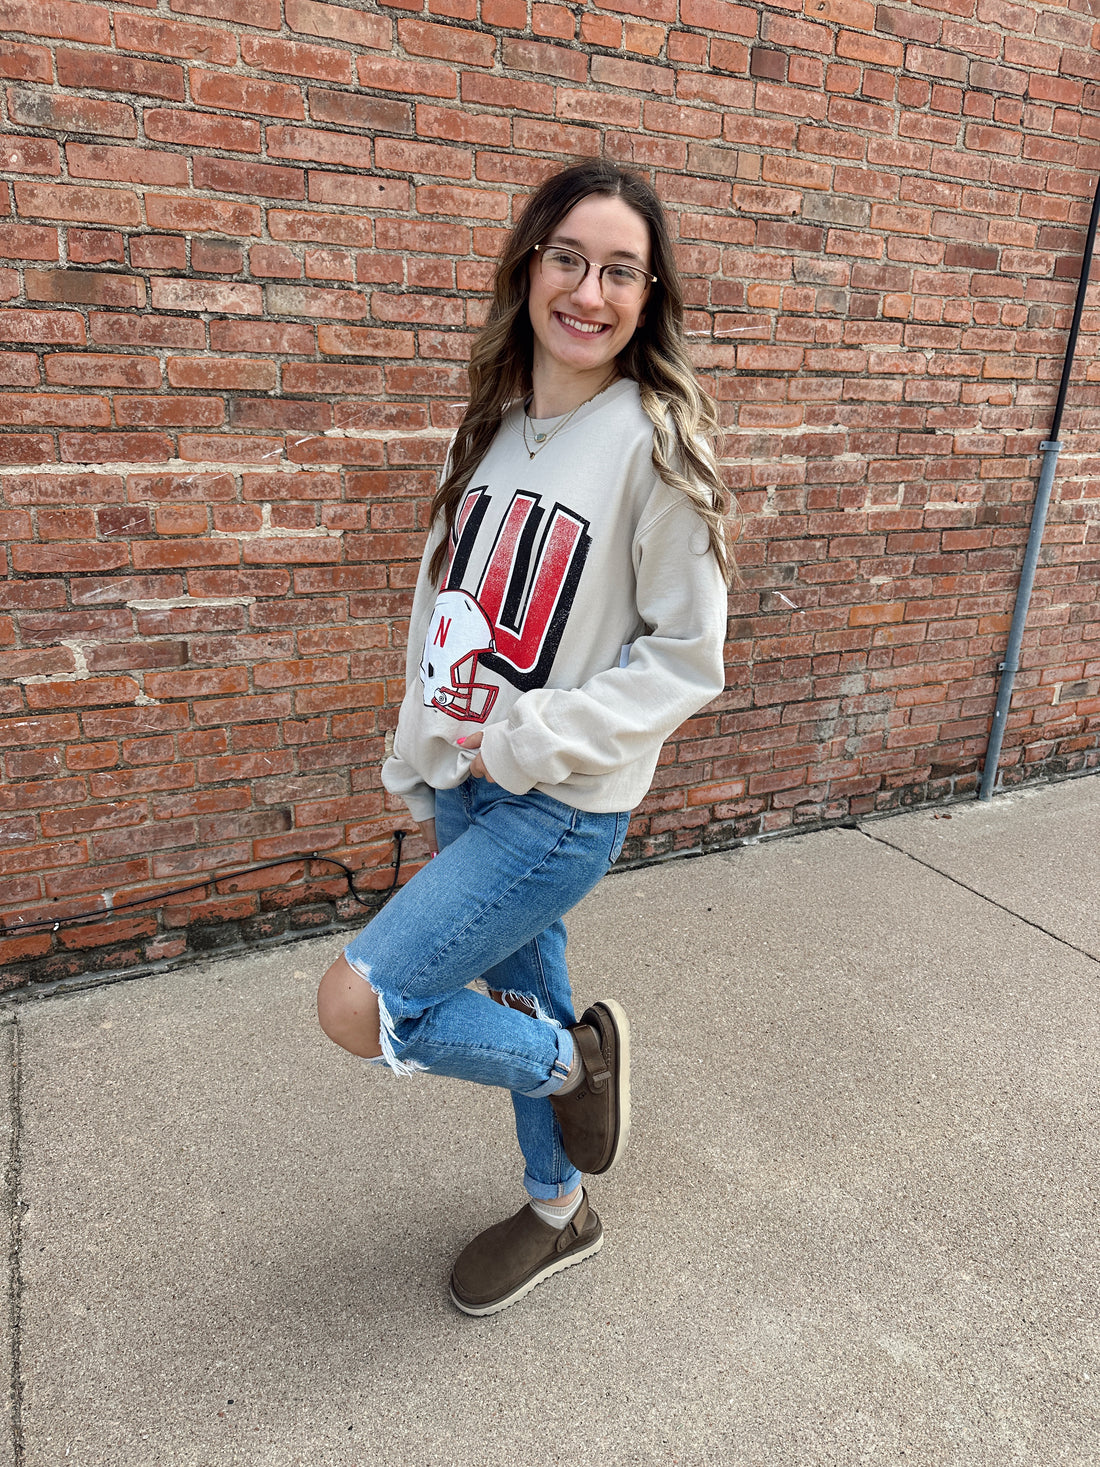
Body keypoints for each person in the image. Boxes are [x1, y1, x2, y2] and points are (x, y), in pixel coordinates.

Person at [316, 159, 732, 1316]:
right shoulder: (492, 431)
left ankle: (571, 1067)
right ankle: (560, 1211)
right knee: (526, 986)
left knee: (364, 1006)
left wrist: (530, 739)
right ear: (528, 267)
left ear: (648, 299)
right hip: (468, 789)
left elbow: (685, 656)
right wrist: (423, 756)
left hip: (556, 808)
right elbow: (440, 614)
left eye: (619, 272)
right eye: (568, 259)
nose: (588, 292)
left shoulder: (652, 443)